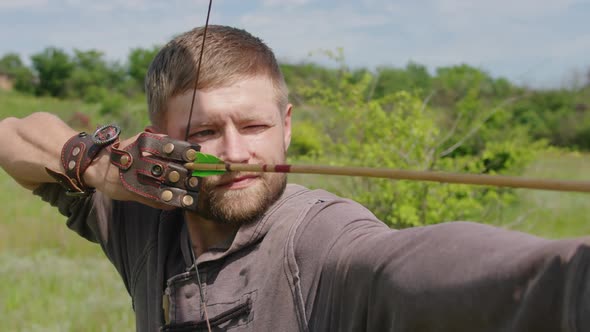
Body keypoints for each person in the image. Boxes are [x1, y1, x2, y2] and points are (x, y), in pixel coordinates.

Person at [1, 25, 589, 332]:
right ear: (160, 135)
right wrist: (97, 164)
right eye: (204, 132)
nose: (234, 153)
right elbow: (13, 134)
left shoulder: (324, 239)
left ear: (286, 128)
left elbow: (417, 263)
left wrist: (571, 281)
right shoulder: (141, 209)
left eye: (253, 125)